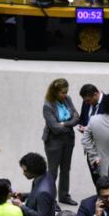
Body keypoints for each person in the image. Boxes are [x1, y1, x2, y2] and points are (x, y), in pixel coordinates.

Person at [42, 78, 80, 206]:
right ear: (55, 92)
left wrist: (64, 123)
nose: (65, 95)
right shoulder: (47, 106)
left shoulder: (67, 99)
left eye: (66, 92)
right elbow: (55, 128)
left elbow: (76, 117)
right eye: (62, 92)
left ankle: (64, 196)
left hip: (68, 140)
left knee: (66, 169)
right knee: (53, 171)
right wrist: (69, 124)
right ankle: (50, 199)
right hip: (54, 141)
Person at [13, 152, 55, 216]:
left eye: (25, 170)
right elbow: (36, 194)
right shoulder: (45, 176)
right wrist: (24, 195)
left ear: (33, 170)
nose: (23, 173)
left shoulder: (43, 192)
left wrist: (21, 206)